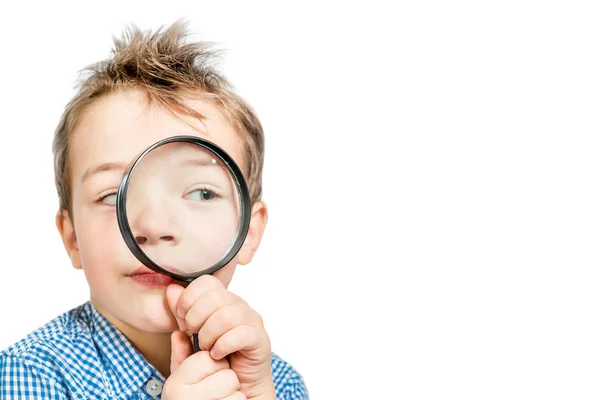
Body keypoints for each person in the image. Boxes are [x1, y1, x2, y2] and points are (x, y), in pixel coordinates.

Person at [0, 20, 307, 400]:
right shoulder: (24, 377)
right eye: (113, 196)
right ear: (71, 238)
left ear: (249, 231)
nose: (155, 226)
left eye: (201, 193)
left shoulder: (277, 383)